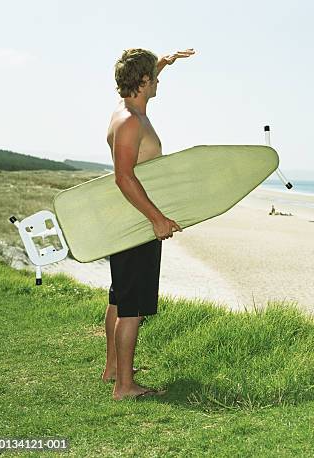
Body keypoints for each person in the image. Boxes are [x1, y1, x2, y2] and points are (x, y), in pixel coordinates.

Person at [102, 48, 195, 400]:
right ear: (142, 82)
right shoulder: (130, 122)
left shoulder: (126, 110)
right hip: (138, 222)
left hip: (126, 220)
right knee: (133, 308)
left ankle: (113, 368)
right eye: (153, 78)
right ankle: (125, 387)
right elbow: (124, 177)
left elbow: (142, 77)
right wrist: (157, 219)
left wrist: (163, 63)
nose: (158, 83)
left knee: (117, 298)